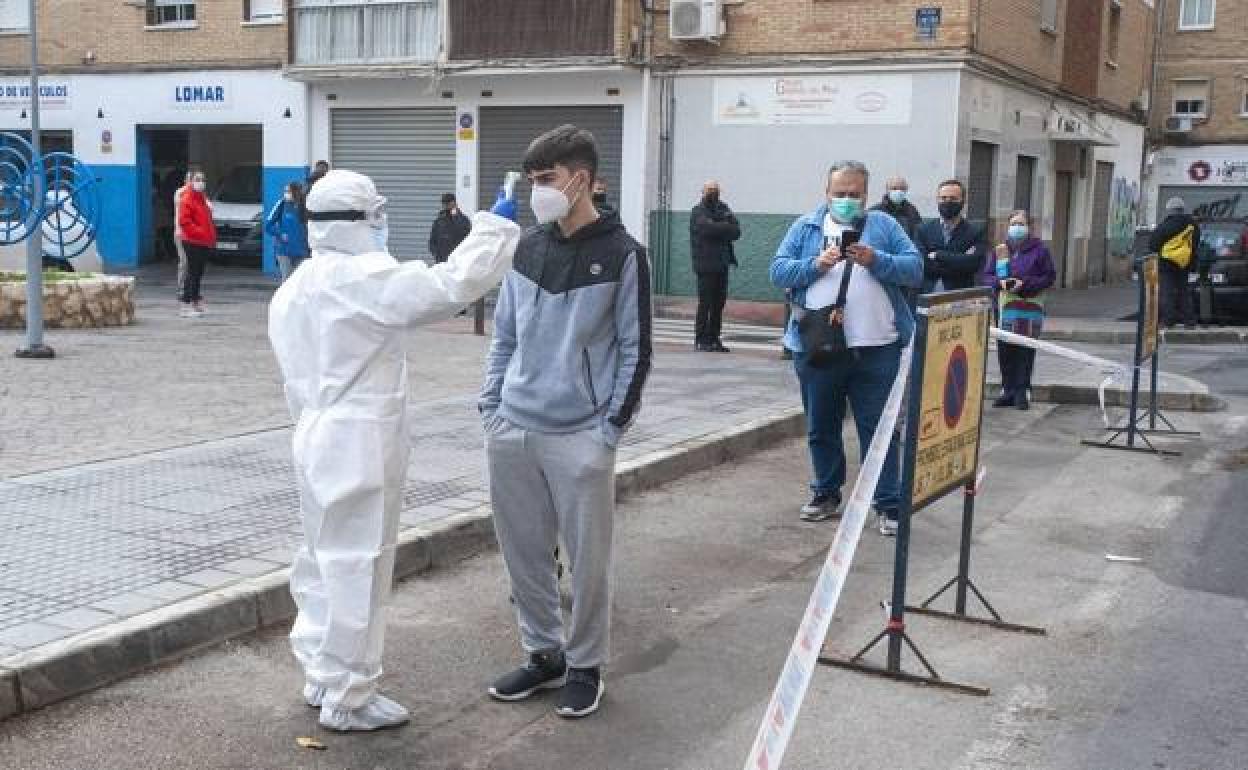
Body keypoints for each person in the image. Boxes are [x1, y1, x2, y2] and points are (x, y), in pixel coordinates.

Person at [269, 169, 520, 732]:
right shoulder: (363, 278)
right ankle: (348, 696)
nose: (383, 224)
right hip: (359, 437)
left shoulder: (296, 287)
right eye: (376, 213)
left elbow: (293, 381)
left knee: (320, 558)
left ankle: (321, 673)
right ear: (359, 220)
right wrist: (494, 229)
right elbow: (449, 285)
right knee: (359, 562)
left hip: (313, 432)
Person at [480, 124, 651, 719]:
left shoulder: (624, 254)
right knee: (523, 553)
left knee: (587, 560)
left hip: (580, 436)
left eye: (547, 180)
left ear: (580, 179)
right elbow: (504, 334)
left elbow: (636, 349)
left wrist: (608, 434)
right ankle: (543, 655)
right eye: (532, 181)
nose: (538, 192)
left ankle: (584, 665)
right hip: (513, 430)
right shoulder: (529, 246)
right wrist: (492, 407)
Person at [770, 161, 922, 535]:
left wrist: (878, 260)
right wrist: (814, 265)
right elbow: (777, 272)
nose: (846, 201)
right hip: (819, 346)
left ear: (866, 196)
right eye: (839, 194)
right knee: (821, 424)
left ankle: (888, 504)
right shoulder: (806, 226)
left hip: (878, 348)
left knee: (882, 430)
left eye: (854, 194)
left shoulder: (884, 226)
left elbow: (915, 268)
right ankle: (825, 492)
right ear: (827, 193)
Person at [983, 210, 1056, 410]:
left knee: (1025, 348)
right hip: (1005, 307)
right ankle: (1008, 390)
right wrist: (1001, 283)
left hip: (1029, 306)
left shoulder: (1040, 250)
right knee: (1005, 350)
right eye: (1014, 223)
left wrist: (1024, 284)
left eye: (1021, 224)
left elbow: (1049, 276)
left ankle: (1022, 391)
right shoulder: (1000, 250)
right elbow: (987, 276)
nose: (1017, 227)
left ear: (1029, 227)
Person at [690, 180, 741, 352]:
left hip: (722, 264)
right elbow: (706, 230)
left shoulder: (723, 207)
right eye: (710, 190)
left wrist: (718, 225)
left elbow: (736, 231)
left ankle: (714, 338)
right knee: (705, 303)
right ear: (703, 192)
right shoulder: (698, 211)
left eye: (716, 189)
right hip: (705, 265)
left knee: (719, 304)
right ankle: (701, 339)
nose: (713, 192)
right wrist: (724, 225)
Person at [914, 179, 986, 293]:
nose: (948, 202)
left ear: (963, 201)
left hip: (959, 297)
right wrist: (960, 259)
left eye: (953, 198)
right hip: (927, 295)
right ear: (937, 200)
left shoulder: (975, 231)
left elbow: (973, 264)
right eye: (943, 198)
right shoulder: (923, 229)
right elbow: (923, 265)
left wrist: (939, 255)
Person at [1148, 197, 1200, 328]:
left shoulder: (1165, 225)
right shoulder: (1193, 225)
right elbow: (1195, 245)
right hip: (1184, 263)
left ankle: (1168, 320)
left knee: (1167, 292)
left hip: (1166, 264)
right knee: (1184, 291)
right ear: (1182, 209)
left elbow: (1153, 244)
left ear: (1169, 210)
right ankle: (1189, 321)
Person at [176, 169, 215, 318]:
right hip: (192, 241)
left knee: (198, 273)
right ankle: (185, 304)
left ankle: (195, 301)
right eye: (197, 179)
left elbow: (206, 220)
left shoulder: (201, 198)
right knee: (192, 273)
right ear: (191, 181)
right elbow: (184, 222)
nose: (201, 182)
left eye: (203, 179)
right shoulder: (186, 199)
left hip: (203, 242)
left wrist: (209, 236)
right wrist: (200, 232)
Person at [266, 181, 310, 281]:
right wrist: (280, 234)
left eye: (288, 191)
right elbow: (268, 226)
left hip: (303, 251)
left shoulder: (306, 206)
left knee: (302, 282)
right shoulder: (281, 204)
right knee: (287, 282)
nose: (286, 193)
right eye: (285, 191)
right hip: (284, 250)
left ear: (296, 192)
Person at [870, 175, 923, 242]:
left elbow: (919, 234)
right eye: (894, 188)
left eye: (902, 189)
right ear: (887, 190)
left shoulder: (912, 211)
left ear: (906, 190)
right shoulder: (875, 211)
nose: (898, 191)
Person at [429, 193, 472, 264]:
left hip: (458, 261)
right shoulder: (439, 221)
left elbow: (468, 239)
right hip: (442, 262)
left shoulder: (463, 220)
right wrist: (436, 254)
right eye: (444, 204)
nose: (446, 206)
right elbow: (432, 241)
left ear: (454, 203)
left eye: (449, 203)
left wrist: (456, 216)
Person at [173, 170, 191, 299]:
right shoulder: (180, 193)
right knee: (184, 262)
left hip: (195, 234)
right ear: (186, 181)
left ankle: (190, 289)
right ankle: (181, 289)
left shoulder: (199, 195)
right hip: (181, 233)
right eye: (191, 179)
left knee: (193, 263)